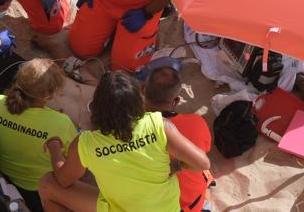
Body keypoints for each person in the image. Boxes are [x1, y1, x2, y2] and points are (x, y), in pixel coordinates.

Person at [38, 71, 210, 212]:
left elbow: (63, 180)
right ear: (137, 100)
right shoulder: (159, 125)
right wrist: (175, 167)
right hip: (166, 208)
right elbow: (202, 164)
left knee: (47, 183)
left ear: (97, 107)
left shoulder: (86, 143)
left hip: (120, 207)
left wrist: (54, 148)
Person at [0, 58, 77, 211]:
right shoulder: (61, 123)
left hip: (3, 177)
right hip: (40, 189)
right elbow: (74, 162)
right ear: (48, 96)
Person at [145, 66, 213, 212]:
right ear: (175, 101)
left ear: (143, 90)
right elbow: (204, 157)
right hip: (191, 203)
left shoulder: (131, 128)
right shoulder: (197, 122)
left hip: (156, 203)